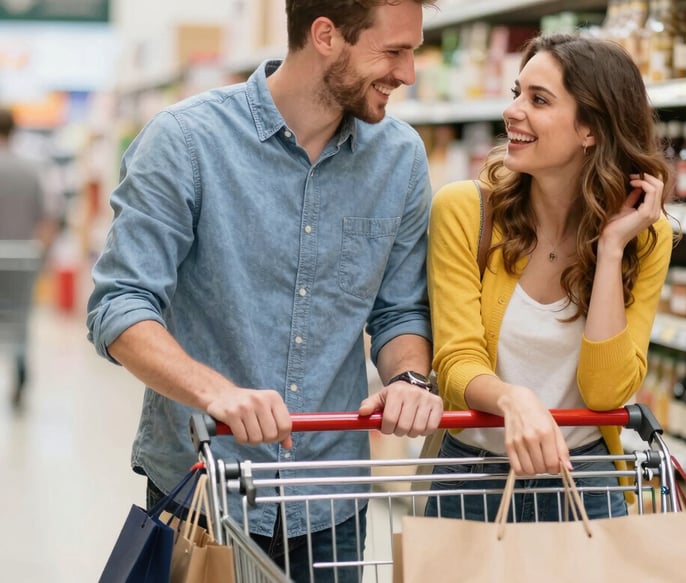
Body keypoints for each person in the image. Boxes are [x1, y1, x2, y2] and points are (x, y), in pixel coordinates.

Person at [86, 1, 441, 581]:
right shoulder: (186, 141)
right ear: (325, 35)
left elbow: (398, 310)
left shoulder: (399, 158)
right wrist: (216, 393)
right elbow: (119, 305)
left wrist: (408, 379)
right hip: (204, 490)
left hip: (330, 498)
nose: (407, 73)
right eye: (394, 51)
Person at [425, 33, 674, 523]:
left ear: (591, 129)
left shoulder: (644, 236)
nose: (512, 111)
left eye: (538, 100)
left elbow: (605, 393)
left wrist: (610, 250)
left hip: (585, 480)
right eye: (516, 93)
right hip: (472, 478)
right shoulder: (466, 210)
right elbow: (455, 363)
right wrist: (514, 400)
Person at [0, 107, 56, 409]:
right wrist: (39, 259)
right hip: (22, 260)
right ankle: (20, 373)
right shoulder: (31, 171)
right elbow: (47, 221)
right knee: (19, 320)